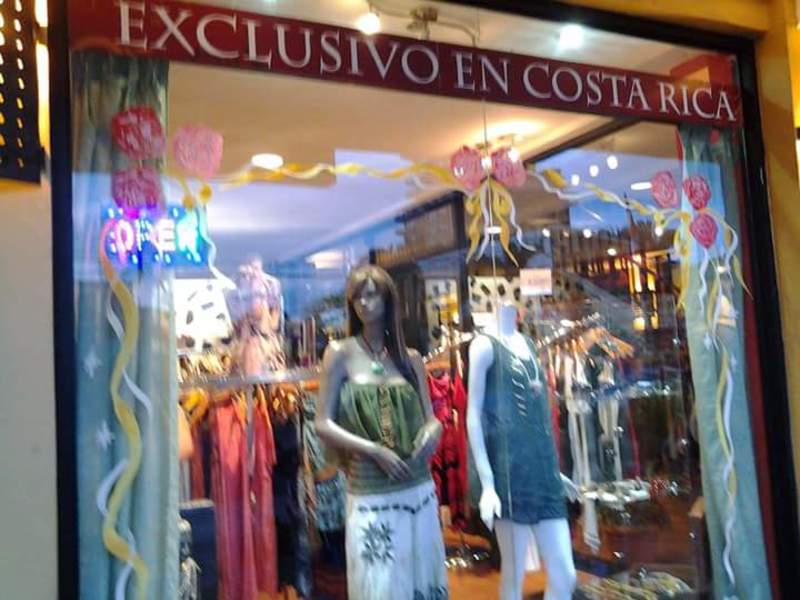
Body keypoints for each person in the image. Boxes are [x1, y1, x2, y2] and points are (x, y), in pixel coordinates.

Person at [316, 265, 448, 600]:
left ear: (388, 300)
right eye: (357, 296)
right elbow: (322, 423)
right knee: (379, 583)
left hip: (417, 487)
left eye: (371, 294)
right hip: (370, 489)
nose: (364, 302)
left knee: (420, 578)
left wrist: (434, 430)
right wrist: (373, 450)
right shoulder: (339, 354)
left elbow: (431, 418)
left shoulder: (410, 359)